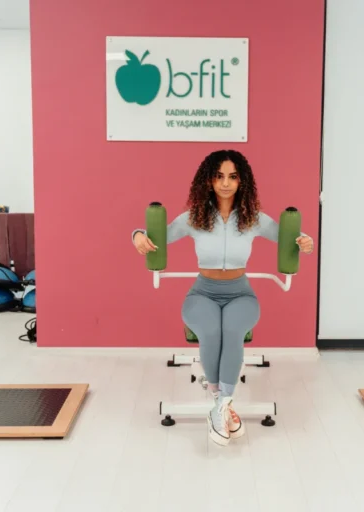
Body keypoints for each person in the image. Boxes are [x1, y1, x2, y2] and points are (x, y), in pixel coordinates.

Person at [132, 149, 313, 446]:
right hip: (202, 292)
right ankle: (224, 406)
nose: (225, 183)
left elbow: (290, 236)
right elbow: (158, 235)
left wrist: (306, 241)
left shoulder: (253, 218)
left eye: (232, 177)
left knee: (231, 331)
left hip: (241, 293)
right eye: (219, 177)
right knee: (212, 331)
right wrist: (137, 234)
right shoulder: (195, 217)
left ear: (242, 181)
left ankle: (220, 406)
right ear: (209, 181)